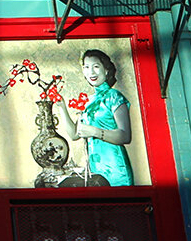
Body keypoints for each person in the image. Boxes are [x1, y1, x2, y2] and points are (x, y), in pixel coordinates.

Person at [49, 48, 133, 186]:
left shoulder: (114, 96)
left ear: (106, 70)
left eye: (96, 66)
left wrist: (94, 132)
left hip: (116, 169)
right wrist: (62, 107)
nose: (91, 72)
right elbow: (75, 134)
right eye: (86, 67)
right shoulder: (87, 101)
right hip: (95, 170)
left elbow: (125, 136)